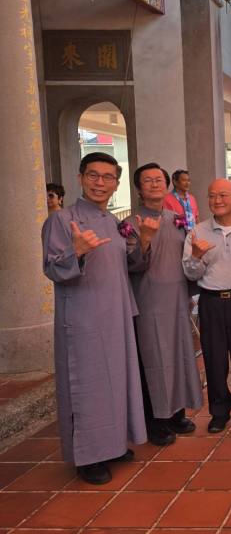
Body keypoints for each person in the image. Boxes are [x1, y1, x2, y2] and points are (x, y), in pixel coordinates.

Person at [42, 152, 146, 485]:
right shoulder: (62, 220)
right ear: (80, 178)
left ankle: (113, 445)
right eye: (93, 176)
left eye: (107, 177)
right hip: (84, 318)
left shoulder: (113, 221)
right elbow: (52, 268)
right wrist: (78, 252)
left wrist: (141, 242)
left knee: (116, 382)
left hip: (115, 314)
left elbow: (124, 266)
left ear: (116, 183)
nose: (100, 183)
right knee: (87, 385)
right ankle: (89, 456)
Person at [125, 163, 203, 446]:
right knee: (154, 360)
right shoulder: (130, 223)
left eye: (159, 179)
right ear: (138, 188)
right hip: (148, 302)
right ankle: (156, 420)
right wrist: (144, 239)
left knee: (180, 357)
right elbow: (131, 264)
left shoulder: (176, 219)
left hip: (177, 300)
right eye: (148, 180)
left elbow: (187, 257)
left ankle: (176, 412)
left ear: (167, 184)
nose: (155, 184)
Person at [183, 179, 231, 433]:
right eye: (212, 196)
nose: (217, 201)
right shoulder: (198, 232)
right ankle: (219, 411)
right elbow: (191, 274)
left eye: (223, 195)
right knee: (213, 358)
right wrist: (196, 256)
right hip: (211, 301)